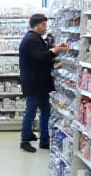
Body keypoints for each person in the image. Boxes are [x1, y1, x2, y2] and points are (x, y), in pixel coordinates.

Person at [18, 13, 67, 152]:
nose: (45, 27)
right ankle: (25, 140)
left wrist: (53, 58)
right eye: (43, 25)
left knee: (46, 111)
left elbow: (42, 58)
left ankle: (44, 139)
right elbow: (38, 57)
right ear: (35, 25)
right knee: (31, 111)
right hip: (34, 83)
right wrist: (54, 51)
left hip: (41, 82)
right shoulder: (30, 40)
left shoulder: (37, 38)